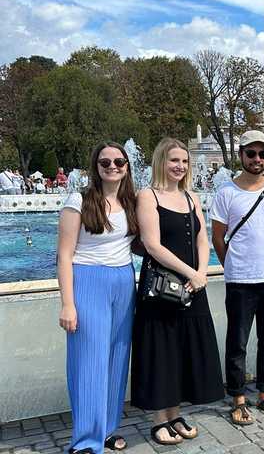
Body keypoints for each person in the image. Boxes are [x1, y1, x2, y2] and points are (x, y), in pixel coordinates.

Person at [132, 138, 223, 445]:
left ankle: (175, 413)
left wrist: (201, 273)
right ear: (161, 161)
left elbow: (202, 238)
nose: (180, 166)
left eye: (184, 161)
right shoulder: (147, 196)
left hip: (192, 285)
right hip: (161, 286)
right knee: (161, 348)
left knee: (183, 347)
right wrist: (190, 273)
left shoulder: (190, 196)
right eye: (174, 160)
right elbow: (152, 245)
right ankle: (159, 418)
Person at [57, 141, 138, 453]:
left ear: (127, 166)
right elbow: (64, 256)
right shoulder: (78, 200)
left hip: (122, 280)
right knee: (89, 361)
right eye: (105, 162)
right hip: (88, 280)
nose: (112, 166)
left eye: (118, 161)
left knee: (117, 359)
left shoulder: (130, 202)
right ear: (96, 167)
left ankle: (105, 429)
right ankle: (85, 441)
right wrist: (68, 303)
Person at [210, 130, 264, 423]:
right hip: (241, 281)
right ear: (241, 155)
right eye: (251, 154)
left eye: (262, 154)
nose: (257, 159)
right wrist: (233, 264)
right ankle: (237, 398)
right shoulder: (226, 193)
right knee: (238, 343)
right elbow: (218, 238)